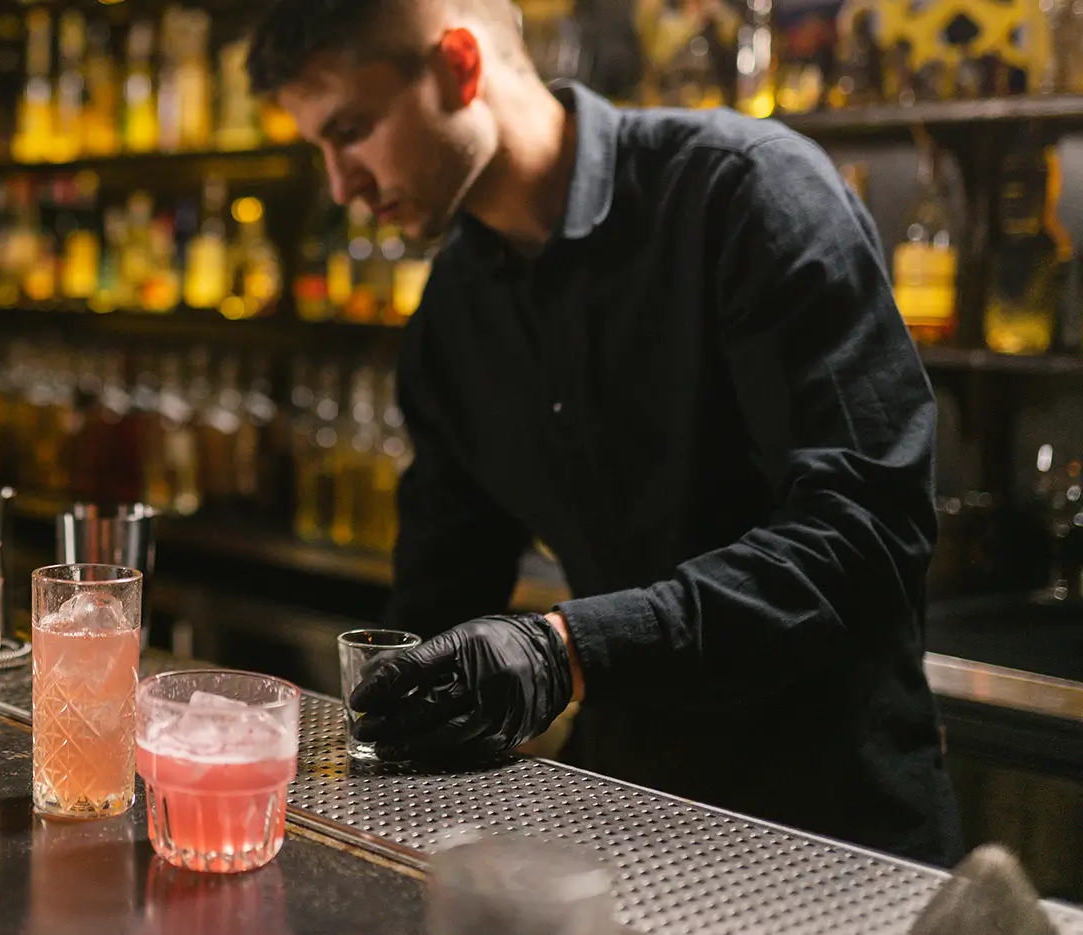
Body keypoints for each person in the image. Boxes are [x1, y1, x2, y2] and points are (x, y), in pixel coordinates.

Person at [247, 0, 961, 864]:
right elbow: (439, 601)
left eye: (352, 130)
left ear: (459, 67)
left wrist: (566, 649)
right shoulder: (453, 319)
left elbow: (869, 537)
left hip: (832, 838)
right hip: (621, 826)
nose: (339, 185)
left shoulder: (747, 193)